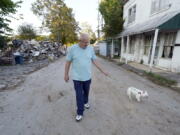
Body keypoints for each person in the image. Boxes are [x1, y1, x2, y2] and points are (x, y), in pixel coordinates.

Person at [64, 33, 108, 121]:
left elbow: (94, 60)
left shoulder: (90, 48)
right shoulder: (72, 49)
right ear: (79, 41)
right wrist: (66, 74)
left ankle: (86, 101)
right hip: (77, 78)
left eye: (88, 42)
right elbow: (68, 62)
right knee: (79, 95)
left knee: (86, 92)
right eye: (85, 42)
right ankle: (80, 112)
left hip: (87, 77)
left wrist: (102, 70)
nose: (86, 44)